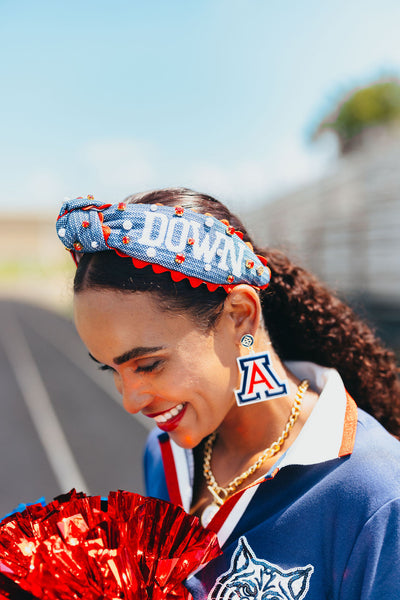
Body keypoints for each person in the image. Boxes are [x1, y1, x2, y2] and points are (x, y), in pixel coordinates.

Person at [57, 188, 400, 600]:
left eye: (148, 365)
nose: (131, 401)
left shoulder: (376, 495)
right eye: (110, 368)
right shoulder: (164, 454)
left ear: (240, 315)